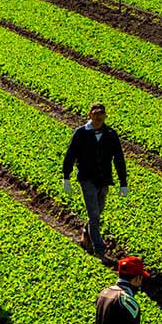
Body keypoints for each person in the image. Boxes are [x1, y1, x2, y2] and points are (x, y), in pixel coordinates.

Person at [60, 102, 128, 251]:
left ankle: (86, 235)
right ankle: (99, 248)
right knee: (94, 213)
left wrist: (123, 182)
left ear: (105, 116)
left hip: (104, 179)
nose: (98, 117)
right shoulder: (81, 133)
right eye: (95, 114)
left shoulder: (111, 134)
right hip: (86, 178)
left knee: (98, 212)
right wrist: (66, 177)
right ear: (89, 115)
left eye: (101, 114)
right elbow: (70, 155)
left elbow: (119, 158)